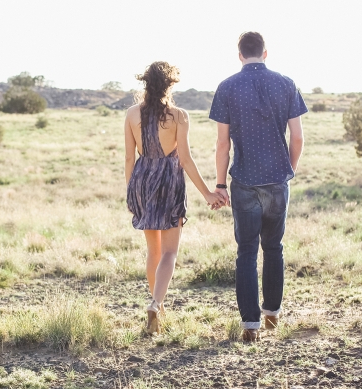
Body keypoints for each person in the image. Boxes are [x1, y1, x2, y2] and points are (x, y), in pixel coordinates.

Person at [209, 32, 307, 342]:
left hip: (244, 182)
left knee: (246, 252)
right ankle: (272, 316)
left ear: (239, 55)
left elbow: (222, 143)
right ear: (265, 53)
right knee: (274, 249)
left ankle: (250, 326)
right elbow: (298, 138)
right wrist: (287, 170)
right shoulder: (287, 84)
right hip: (277, 181)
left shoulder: (226, 87)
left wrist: (220, 183)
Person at [125, 61, 224, 334]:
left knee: (153, 251)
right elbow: (186, 160)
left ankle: (158, 306)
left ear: (146, 83)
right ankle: (156, 304)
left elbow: (128, 158)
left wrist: (131, 193)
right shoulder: (179, 116)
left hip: (142, 182)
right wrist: (208, 193)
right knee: (169, 252)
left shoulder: (132, 114)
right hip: (169, 181)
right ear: (170, 86)